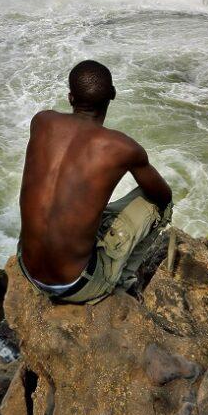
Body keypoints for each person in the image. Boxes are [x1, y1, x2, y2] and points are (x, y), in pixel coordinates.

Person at [17, 60, 173, 304]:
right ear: (112, 95)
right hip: (78, 284)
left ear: (70, 97)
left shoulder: (42, 121)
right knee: (158, 204)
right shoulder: (122, 148)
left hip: (27, 269)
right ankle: (124, 279)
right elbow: (163, 195)